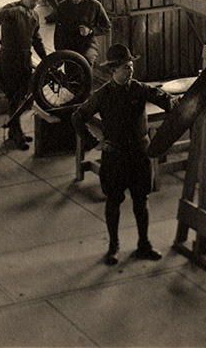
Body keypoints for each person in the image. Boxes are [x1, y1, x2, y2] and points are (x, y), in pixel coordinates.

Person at [72, 43, 174, 266]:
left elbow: (163, 98)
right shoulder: (102, 95)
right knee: (113, 202)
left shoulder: (139, 89)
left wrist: (175, 105)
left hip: (139, 154)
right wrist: (94, 143)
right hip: (115, 156)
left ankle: (144, 244)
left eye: (131, 67)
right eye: (125, 68)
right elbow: (78, 117)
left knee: (141, 200)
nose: (130, 71)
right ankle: (113, 246)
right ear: (113, 71)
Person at [0, 0, 48, 150]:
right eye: (32, 1)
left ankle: (14, 132)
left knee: (21, 96)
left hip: (25, 59)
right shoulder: (11, 10)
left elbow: (36, 39)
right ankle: (17, 135)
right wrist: (17, 10)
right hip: (9, 59)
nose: (35, 5)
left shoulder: (34, 15)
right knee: (14, 98)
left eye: (37, 2)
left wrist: (46, 59)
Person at [53, 0, 112, 67]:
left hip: (88, 44)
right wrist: (59, 51)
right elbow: (58, 31)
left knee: (85, 64)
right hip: (69, 45)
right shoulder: (62, 6)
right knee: (70, 71)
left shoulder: (95, 5)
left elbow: (107, 26)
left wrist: (91, 31)